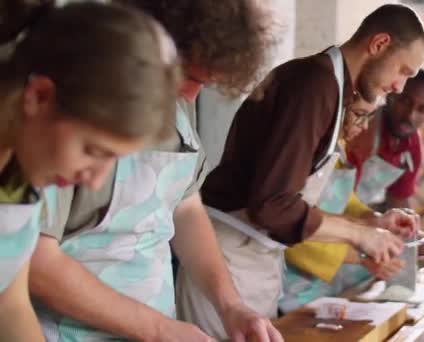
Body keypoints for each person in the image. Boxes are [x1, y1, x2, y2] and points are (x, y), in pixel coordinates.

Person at [30, 0, 282, 341]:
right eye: (191, 78)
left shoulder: (177, 102)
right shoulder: (71, 110)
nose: (192, 97)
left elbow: (185, 206)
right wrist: (159, 330)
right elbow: (36, 263)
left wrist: (231, 306)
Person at [176, 4, 424, 338]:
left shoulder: (332, 87)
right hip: (225, 258)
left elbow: (289, 199)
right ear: (379, 44)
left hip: (254, 259)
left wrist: (371, 222)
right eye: (404, 71)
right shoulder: (314, 83)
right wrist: (360, 235)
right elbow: (272, 205)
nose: (399, 87)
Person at [0, 1, 181, 341]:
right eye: (93, 151)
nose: (96, 179)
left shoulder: (19, 177)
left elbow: (9, 305)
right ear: (39, 96)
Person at [279, 95, 410, 313]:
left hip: (315, 287)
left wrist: (376, 220)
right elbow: (289, 223)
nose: (366, 126)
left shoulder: (336, 146)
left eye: (370, 116)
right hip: (284, 282)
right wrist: (361, 256)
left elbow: (342, 198)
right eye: (359, 115)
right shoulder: (298, 149)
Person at [347, 69, 424, 211]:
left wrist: (407, 225)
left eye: (422, 109)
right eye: (405, 101)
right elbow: (341, 196)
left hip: (362, 213)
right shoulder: (363, 128)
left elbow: (398, 199)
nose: (410, 116)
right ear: (391, 96)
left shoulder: (412, 146)